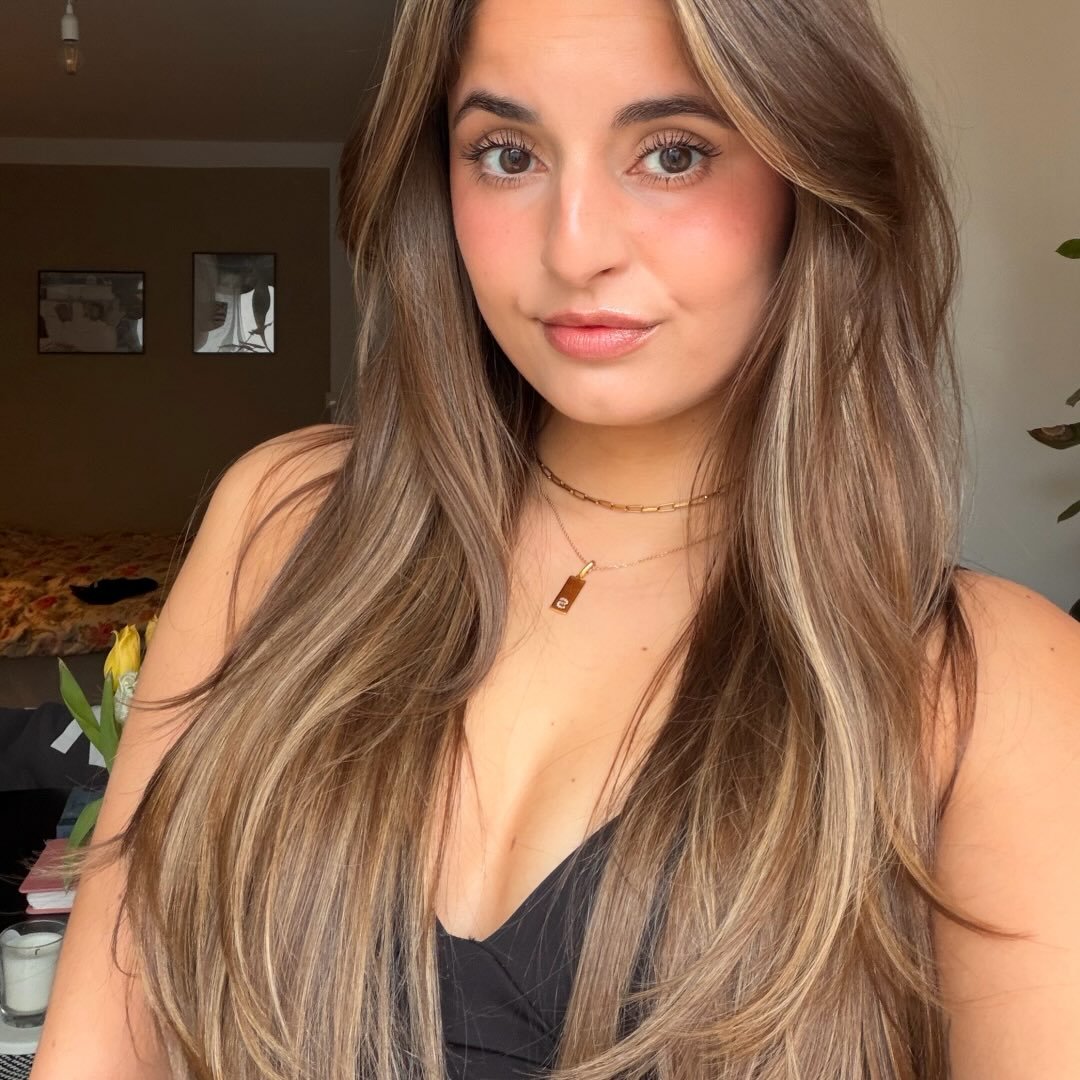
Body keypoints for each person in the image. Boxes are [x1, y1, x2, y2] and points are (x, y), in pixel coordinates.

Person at [30, 0, 1080, 1076]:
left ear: (812, 175)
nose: (575, 248)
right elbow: (101, 1043)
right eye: (507, 152)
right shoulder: (284, 521)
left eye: (674, 153)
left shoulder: (991, 684)